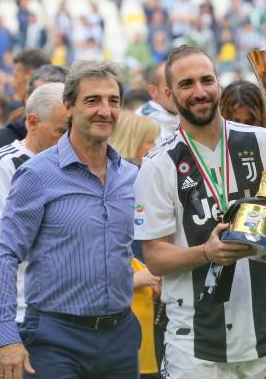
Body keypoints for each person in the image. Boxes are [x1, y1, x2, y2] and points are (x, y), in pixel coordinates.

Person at [134, 45, 266, 378]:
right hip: (197, 345)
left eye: (206, 80)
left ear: (218, 84)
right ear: (169, 94)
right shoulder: (158, 165)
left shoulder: (263, 142)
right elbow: (154, 256)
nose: (199, 92)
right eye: (186, 84)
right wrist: (206, 252)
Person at [0, 60, 140, 378]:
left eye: (113, 101)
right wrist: (5, 337)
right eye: (93, 100)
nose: (105, 110)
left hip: (120, 336)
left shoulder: (131, 176)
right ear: (68, 107)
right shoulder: (37, 174)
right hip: (55, 338)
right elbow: (4, 254)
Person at [0, 64, 68, 368]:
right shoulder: (1, 163)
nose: (68, 138)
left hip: (67, 312)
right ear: (32, 122)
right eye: (61, 131)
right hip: (17, 311)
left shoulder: (75, 162)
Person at [108, 110, 162, 378]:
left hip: (148, 293)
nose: (155, 147)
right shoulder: (124, 183)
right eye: (150, 141)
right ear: (132, 141)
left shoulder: (143, 178)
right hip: (128, 300)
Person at [136, 62, 179, 144]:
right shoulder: (141, 124)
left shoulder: (187, 116)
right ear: (153, 91)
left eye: (182, 84)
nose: (177, 91)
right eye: (170, 86)